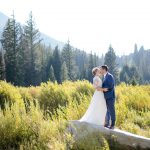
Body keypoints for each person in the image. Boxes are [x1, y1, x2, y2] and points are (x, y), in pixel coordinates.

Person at [97, 65, 116, 129]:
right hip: (106, 97)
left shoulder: (109, 76)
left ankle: (112, 125)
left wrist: (102, 88)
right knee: (107, 110)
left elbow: (110, 86)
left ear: (104, 69)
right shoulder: (105, 77)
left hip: (110, 97)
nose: (100, 71)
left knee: (111, 110)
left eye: (101, 69)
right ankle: (107, 123)